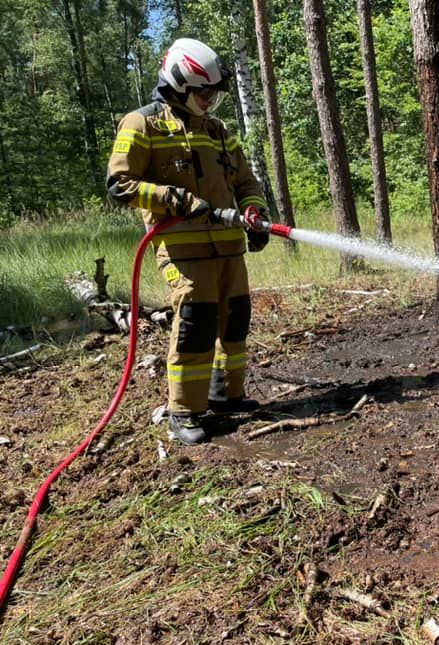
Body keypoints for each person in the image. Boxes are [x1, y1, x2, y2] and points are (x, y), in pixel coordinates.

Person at [106, 38, 270, 445]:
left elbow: (246, 181)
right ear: (178, 84)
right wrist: (173, 199)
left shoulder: (217, 130)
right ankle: (184, 412)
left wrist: (254, 211)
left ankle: (226, 396)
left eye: (214, 93)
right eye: (203, 92)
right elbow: (119, 184)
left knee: (235, 321)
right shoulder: (141, 124)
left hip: (228, 246)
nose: (209, 100)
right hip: (182, 250)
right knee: (195, 326)